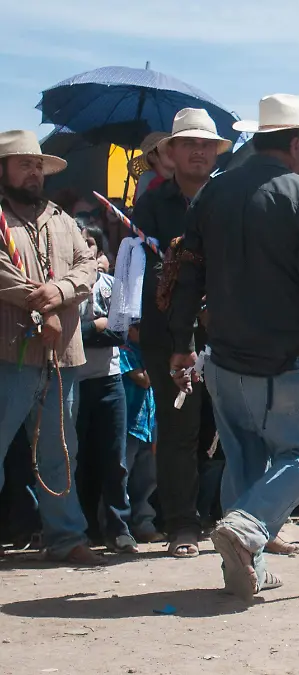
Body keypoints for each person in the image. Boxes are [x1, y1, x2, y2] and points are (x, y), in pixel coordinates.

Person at [165, 93, 299, 599]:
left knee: (243, 458)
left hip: (223, 357)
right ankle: (248, 531)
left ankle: (243, 567)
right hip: (284, 359)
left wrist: (182, 344)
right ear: (294, 144)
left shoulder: (213, 193)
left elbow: (185, 275)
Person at [131, 108, 232, 559]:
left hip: (231, 332)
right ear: (170, 151)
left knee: (241, 429)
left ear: (216, 151)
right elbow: (153, 271)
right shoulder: (151, 203)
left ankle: (251, 522)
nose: (198, 150)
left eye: (206, 144)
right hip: (169, 336)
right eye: (188, 143)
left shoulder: (231, 196)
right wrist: (191, 319)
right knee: (179, 430)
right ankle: (182, 524)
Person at [0, 130, 99, 564]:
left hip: (63, 356)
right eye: (24, 164)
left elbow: (88, 265)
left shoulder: (62, 219)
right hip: (9, 353)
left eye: (37, 165)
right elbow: (5, 274)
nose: (34, 172)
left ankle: (66, 537)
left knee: (60, 450)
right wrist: (43, 305)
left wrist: (58, 294)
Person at [75, 223, 135, 553]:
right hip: (74, 381)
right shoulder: (68, 288)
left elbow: (119, 333)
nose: (85, 251)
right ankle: (84, 530)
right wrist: (93, 326)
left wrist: (88, 330)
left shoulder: (111, 286)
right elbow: (69, 333)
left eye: (90, 245)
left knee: (115, 459)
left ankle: (119, 527)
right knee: (79, 459)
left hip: (110, 382)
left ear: (99, 252)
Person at [121, 323, 160, 543]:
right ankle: (120, 526)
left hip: (149, 423)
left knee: (148, 479)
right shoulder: (124, 350)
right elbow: (145, 379)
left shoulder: (149, 351)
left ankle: (144, 523)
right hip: (129, 423)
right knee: (121, 476)